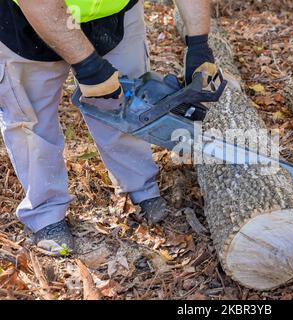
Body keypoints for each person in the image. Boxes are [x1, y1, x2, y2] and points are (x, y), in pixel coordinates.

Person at [0, 0, 216, 256]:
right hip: (26, 20)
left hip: (113, 15)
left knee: (131, 105)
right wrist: (88, 65)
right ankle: (46, 212)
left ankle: (140, 185)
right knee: (31, 121)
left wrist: (199, 43)